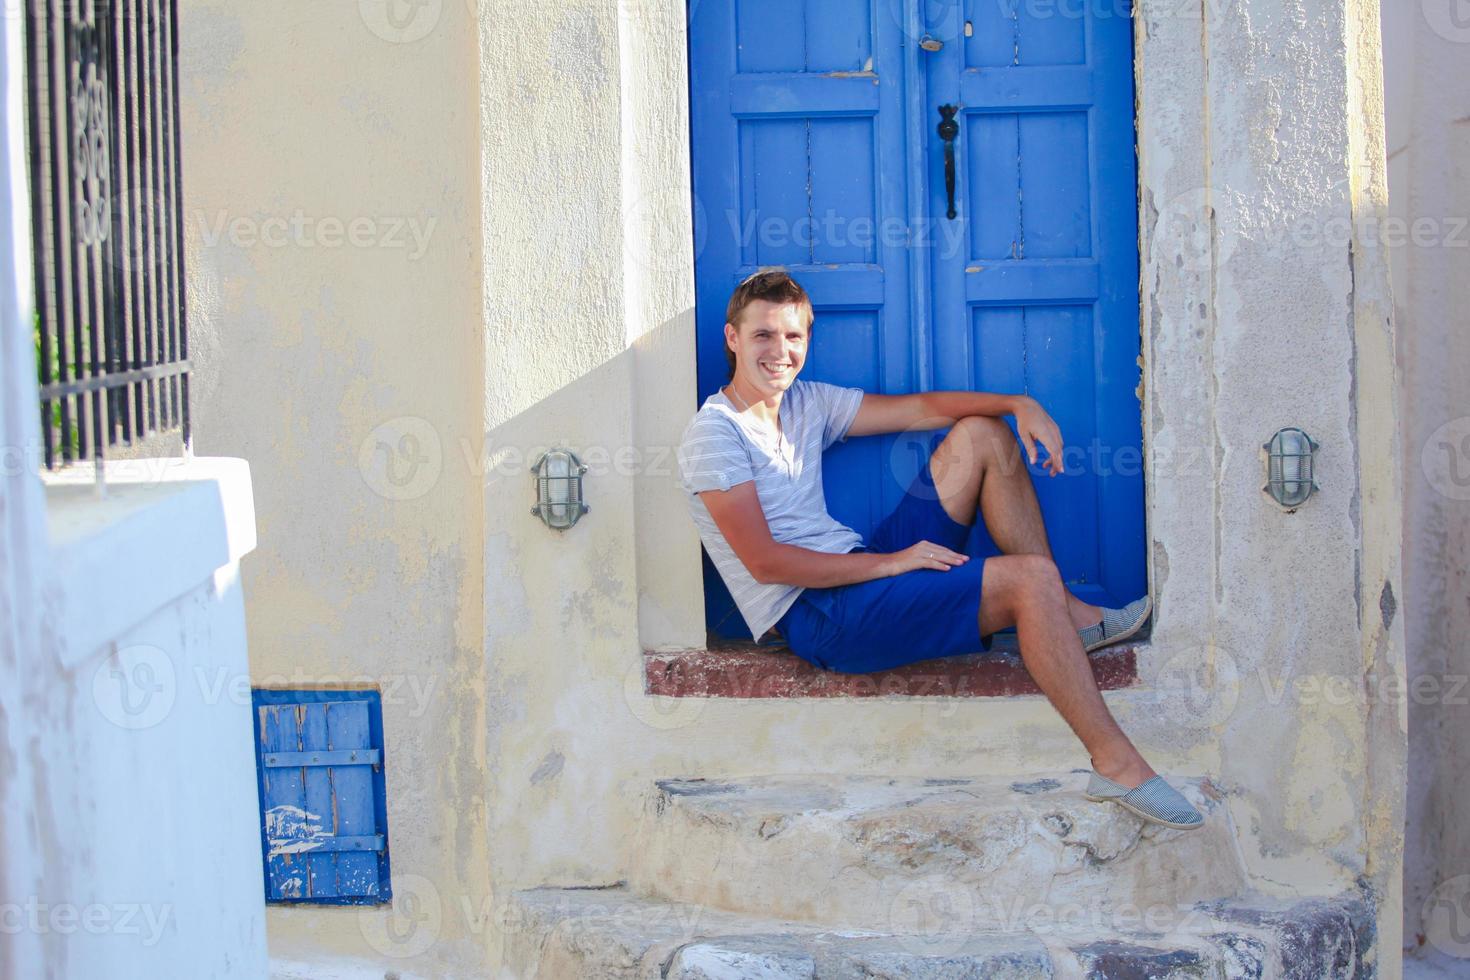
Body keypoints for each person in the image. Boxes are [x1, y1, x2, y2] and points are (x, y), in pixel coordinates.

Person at [676, 268, 1203, 831]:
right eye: (763, 336)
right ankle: (1116, 765)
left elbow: (920, 408)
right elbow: (766, 563)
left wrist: (1017, 403)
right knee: (1030, 582)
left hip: (859, 573)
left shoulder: (805, 402)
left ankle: (1071, 618)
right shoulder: (716, 435)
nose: (780, 351)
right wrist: (894, 562)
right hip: (819, 614)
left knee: (982, 435)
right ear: (733, 338)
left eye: (793, 337)